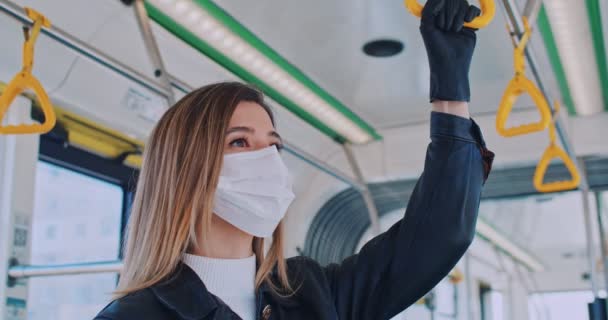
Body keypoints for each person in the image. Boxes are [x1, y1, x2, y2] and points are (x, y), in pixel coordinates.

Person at [94, 0, 494, 319]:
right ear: (184, 170)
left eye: (274, 145)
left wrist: (450, 90)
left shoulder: (312, 295)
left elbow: (439, 234)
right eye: (239, 143)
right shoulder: (133, 315)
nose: (266, 160)